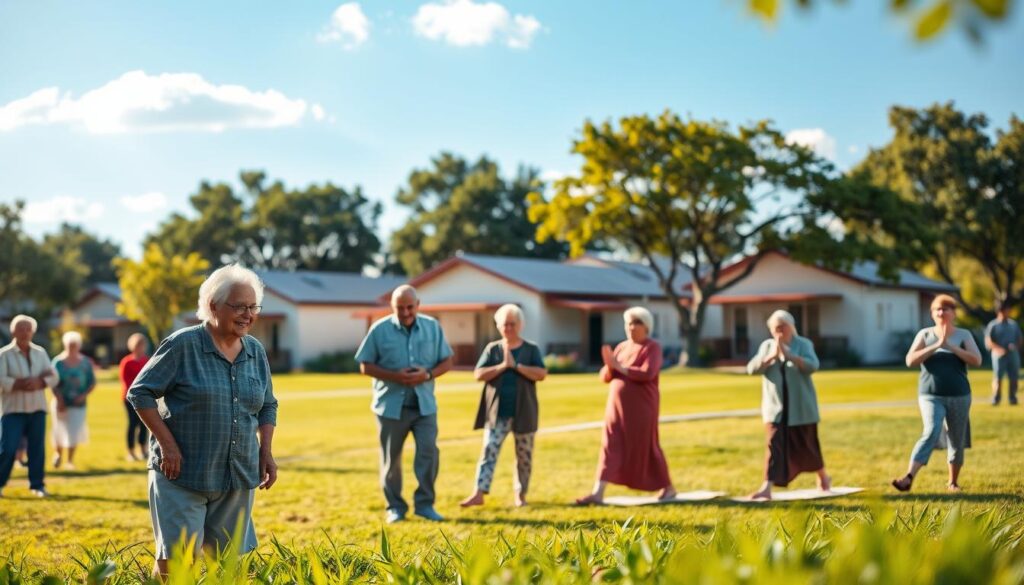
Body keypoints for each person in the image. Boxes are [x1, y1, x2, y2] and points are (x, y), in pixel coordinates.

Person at [127, 265, 278, 576]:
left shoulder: (255, 351)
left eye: (253, 307)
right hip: (182, 473)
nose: (248, 314)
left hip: (236, 475)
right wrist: (168, 446)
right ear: (213, 306)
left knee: (228, 566)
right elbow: (140, 393)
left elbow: (267, 405)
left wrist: (266, 452)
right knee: (176, 565)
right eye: (239, 306)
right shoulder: (183, 345)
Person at [355, 285, 453, 523]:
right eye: (400, 308)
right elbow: (365, 365)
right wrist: (396, 376)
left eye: (410, 307)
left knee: (429, 453)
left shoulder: (432, 328)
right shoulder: (379, 330)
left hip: (424, 407)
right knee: (391, 460)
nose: (406, 312)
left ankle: (425, 505)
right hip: (390, 407)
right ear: (393, 307)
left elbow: (447, 360)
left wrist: (427, 374)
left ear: (418, 305)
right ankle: (395, 508)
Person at [576, 307, 677, 505]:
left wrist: (619, 366)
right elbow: (606, 376)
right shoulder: (622, 347)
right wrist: (609, 366)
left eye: (636, 323)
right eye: (629, 323)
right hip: (616, 408)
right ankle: (598, 492)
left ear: (646, 326)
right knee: (610, 444)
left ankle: (668, 487)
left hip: (642, 408)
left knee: (646, 446)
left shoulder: (652, 347)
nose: (631, 328)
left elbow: (647, 373)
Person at [892, 294, 981, 493]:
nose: (941, 312)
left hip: (959, 394)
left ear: (953, 313)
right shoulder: (924, 335)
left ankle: (953, 482)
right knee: (931, 430)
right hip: (930, 395)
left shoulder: (963, 335)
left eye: (946, 309)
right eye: (937, 309)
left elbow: (977, 360)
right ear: (932, 313)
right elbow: (910, 360)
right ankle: (908, 477)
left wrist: (951, 347)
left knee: (956, 438)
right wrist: (935, 346)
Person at [461, 304, 547, 509]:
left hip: (524, 412)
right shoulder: (493, 349)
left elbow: (541, 373)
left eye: (512, 324)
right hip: (497, 413)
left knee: (524, 456)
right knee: (488, 451)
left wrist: (517, 367)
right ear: (498, 326)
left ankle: (521, 494)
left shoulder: (530, 349)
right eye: (504, 324)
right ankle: (479, 493)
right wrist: (502, 366)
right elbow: (478, 374)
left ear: (520, 325)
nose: (508, 328)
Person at [745, 310, 831, 500]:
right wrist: (771, 358)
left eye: (782, 326)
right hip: (775, 410)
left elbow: (812, 366)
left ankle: (823, 476)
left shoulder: (803, 344)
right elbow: (751, 369)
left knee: (807, 446)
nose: (779, 331)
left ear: (791, 327)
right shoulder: (766, 346)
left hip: (801, 409)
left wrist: (792, 357)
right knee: (774, 446)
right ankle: (766, 487)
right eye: (775, 328)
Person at [0, 315, 59, 498]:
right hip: (13, 410)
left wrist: (39, 381)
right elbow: (1, 379)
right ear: (13, 331)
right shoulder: (4, 354)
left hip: (37, 409)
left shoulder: (40, 352)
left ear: (32, 331)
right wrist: (19, 384)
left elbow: (53, 376)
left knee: (37, 449)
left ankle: (37, 485)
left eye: (28, 329)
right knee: (8, 449)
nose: (25, 332)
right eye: (21, 328)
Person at [50, 331, 96, 470]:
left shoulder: (86, 363)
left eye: (75, 345)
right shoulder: (58, 362)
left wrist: (83, 396)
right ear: (65, 345)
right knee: (59, 429)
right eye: (70, 345)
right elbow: (52, 383)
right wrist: (59, 399)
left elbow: (92, 382)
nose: (72, 347)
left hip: (79, 404)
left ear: (79, 346)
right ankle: (58, 454)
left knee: (74, 431)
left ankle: (70, 460)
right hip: (60, 403)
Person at [119, 333, 150, 461]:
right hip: (129, 398)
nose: (140, 348)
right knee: (133, 424)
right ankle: (131, 452)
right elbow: (125, 380)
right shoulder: (127, 362)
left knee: (145, 424)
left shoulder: (147, 361)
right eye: (138, 345)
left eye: (142, 345)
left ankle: (143, 449)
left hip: (145, 398)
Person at [985, 301, 1021, 406]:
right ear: (1000, 311)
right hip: (998, 355)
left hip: (1012, 354)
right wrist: (999, 349)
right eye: (1007, 310)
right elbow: (988, 341)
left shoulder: (1013, 324)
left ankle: (1012, 398)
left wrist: (1015, 346)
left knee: (1014, 377)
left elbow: (1019, 338)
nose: (1008, 312)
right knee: (998, 377)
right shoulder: (993, 325)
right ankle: (996, 398)